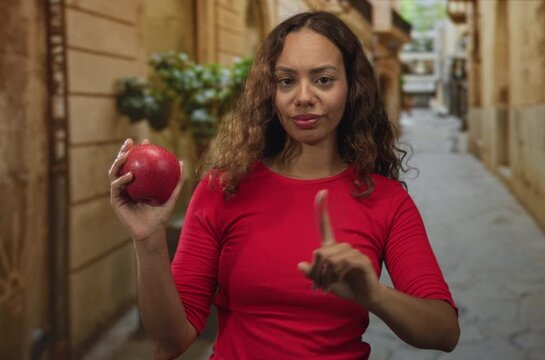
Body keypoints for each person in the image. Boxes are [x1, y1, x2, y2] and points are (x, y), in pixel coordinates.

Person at [109, 11, 459, 360]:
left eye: (323, 80)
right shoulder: (222, 189)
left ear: (352, 88)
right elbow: (170, 342)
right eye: (287, 81)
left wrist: (375, 295)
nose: (303, 96)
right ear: (270, 92)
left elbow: (444, 331)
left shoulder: (387, 200)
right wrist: (149, 241)